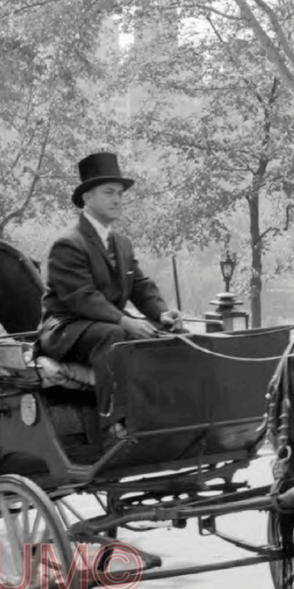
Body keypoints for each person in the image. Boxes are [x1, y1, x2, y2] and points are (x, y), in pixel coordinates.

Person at [38, 151, 182, 420]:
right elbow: (83, 298)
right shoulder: (68, 243)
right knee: (113, 337)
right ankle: (117, 425)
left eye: (119, 193)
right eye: (109, 192)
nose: (117, 199)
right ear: (87, 197)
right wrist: (125, 322)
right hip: (67, 329)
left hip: (106, 324)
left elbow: (140, 285)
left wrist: (162, 312)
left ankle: (173, 415)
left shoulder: (122, 243)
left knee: (173, 333)